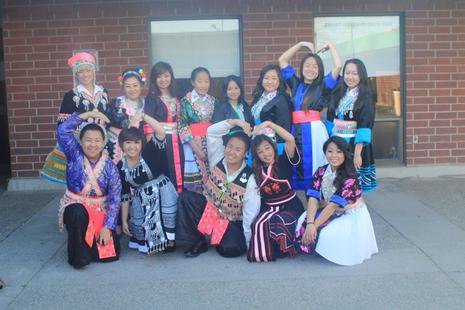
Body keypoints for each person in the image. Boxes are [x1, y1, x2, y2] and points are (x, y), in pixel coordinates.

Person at [177, 119, 260, 258]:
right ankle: (198, 241)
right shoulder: (217, 157)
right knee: (186, 198)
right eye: (230, 146)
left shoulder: (250, 179)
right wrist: (237, 122)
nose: (231, 152)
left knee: (231, 249)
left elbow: (250, 214)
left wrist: (249, 243)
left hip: (230, 220)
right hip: (208, 209)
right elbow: (212, 132)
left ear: (246, 153)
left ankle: (216, 233)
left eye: (238, 149)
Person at [295, 136, 378, 266]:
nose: (334, 156)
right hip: (329, 209)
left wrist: (313, 227)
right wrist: (310, 223)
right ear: (325, 153)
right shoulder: (321, 171)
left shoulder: (350, 176)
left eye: (339, 152)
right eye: (330, 151)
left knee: (329, 234)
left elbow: (333, 206)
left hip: (349, 214)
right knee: (302, 220)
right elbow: (313, 198)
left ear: (345, 153)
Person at [57, 110, 121, 269]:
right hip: (76, 205)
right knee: (77, 213)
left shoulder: (110, 166)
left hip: (101, 209)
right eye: (88, 140)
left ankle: (93, 246)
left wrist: (108, 227)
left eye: (97, 140)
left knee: (109, 256)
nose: (93, 145)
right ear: (80, 141)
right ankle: (78, 257)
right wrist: (86, 115)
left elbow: (114, 198)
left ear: (104, 141)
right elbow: (62, 130)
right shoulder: (74, 154)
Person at [279, 41, 342, 190]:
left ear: (319, 70)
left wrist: (331, 46)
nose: (310, 69)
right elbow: (282, 60)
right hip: (296, 130)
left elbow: (338, 66)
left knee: (317, 165)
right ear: (301, 68)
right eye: (307, 65)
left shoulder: (323, 84)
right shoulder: (295, 83)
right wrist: (300, 44)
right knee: (296, 164)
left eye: (315, 66)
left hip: (315, 131)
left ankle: (319, 202)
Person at [41, 51, 110, 184]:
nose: (85, 75)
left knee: (100, 179)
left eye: (88, 70)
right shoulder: (70, 95)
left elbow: (108, 117)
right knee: (82, 180)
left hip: (101, 143)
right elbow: (63, 125)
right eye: (81, 72)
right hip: (80, 144)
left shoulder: (103, 92)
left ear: (93, 71)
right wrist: (88, 114)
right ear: (76, 74)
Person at [118, 113, 178, 254]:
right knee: (140, 227)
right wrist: (124, 220)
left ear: (142, 143)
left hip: (163, 191)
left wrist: (143, 116)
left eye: (136, 142)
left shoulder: (149, 152)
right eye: (128, 142)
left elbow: (161, 132)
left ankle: (170, 240)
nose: (132, 147)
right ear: (121, 145)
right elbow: (125, 195)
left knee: (167, 220)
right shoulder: (120, 166)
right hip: (141, 199)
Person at [247, 121, 304, 262]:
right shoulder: (256, 170)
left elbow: (290, 139)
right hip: (269, 207)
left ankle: (287, 248)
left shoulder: (284, 160)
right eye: (260, 152)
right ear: (256, 155)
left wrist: (269, 124)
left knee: (279, 220)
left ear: (273, 146)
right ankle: (268, 251)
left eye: (267, 148)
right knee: (257, 223)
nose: (266, 154)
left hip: (290, 206)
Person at [326, 59, 377, 192]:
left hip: (354, 145)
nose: (350, 77)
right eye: (347, 73)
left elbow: (365, 124)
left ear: (361, 75)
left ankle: (355, 210)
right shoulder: (339, 92)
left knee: (352, 185)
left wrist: (357, 154)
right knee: (336, 182)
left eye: (354, 73)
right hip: (337, 142)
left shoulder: (366, 96)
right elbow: (331, 117)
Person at [144, 61, 183, 193]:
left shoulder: (176, 97)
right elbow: (147, 122)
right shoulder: (152, 98)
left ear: (171, 76)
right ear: (154, 79)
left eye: (166, 76)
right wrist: (151, 144)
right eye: (159, 76)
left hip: (177, 141)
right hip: (160, 142)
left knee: (179, 171)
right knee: (163, 171)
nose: (163, 80)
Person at [178, 67, 216, 192]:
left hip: (211, 142)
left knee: (212, 179)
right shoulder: (185, 101)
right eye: (200, 81)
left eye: (206, 81)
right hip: (192, 143)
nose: (203, 85)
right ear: (192, 82)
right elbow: (182, 126)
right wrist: (197, 149)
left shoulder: (213, 101)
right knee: (197, 181)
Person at [106, 67, 147, 163]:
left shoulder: (148, 104)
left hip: (142, 151)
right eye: (128, 86)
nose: (132, 89)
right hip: (117, 149)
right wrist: (121, 135)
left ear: (141, 86)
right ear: (123, 87)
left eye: (135, 85)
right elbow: (106, 124)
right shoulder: (116, 103)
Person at [250, 64, 292, 156]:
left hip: (273, 147)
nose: (269, 81)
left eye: (273, 78)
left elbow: (285, 125)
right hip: (257, 144)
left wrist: (279, 150)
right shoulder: (258, 97)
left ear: (279, 81)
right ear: (262, 80)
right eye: (266, 78)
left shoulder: (282, 99)